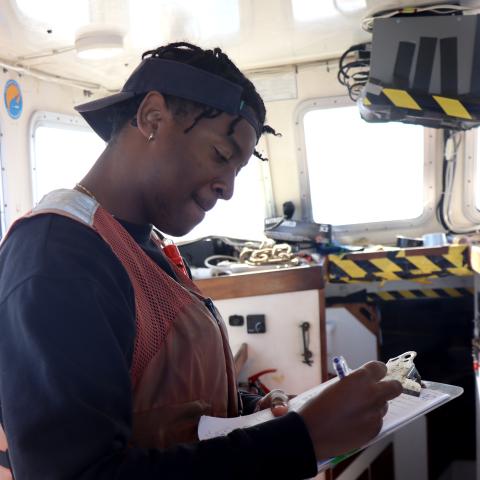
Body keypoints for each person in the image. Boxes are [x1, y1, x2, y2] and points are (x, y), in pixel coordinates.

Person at [0, 42, 402, 479]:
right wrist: (300, 439)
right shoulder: (59, 257)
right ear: (153, 118)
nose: (228, 188)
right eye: (221, 156)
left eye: (238, 170)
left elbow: (158, 403)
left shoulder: (146, 246)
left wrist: (252, 414)